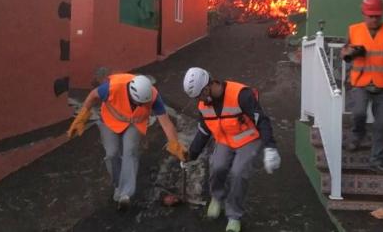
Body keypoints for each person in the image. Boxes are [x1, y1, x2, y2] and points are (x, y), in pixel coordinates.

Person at [67, 73, 187, 210]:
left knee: (130, 152)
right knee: (112, 154)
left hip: (134, 123)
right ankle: (118, 184)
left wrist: (175, 144)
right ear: (131, 95)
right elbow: (93, 95)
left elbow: (166, 123)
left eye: (143, 104)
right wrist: (81, 117)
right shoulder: (112, 87)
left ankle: (125, 194)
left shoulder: (153, 96)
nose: (141, 105)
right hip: (110, 121)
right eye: (139, 103)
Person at [182, 67, 281, 232]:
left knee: (238, 173)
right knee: (217, 166)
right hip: (225, 139)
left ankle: (234, 215)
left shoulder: (241, 95)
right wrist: (190, 155)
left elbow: (262, 120)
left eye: (200, 94)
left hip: (249, 139)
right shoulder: (203, 104)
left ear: (208, 85)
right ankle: (217, 197)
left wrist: (271, 147)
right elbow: (204, 131)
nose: (198, 100)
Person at [340, 0, 383, 175]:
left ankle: (376, 161)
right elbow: (344, 51)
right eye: (370, 16)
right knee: (359, 113)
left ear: (382, 14)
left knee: (381, 125)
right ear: (364, 14)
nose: (374, 19)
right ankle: (357, 134)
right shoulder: (354, 30)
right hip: (361, 83)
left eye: (377, 16)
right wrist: (349, 52)